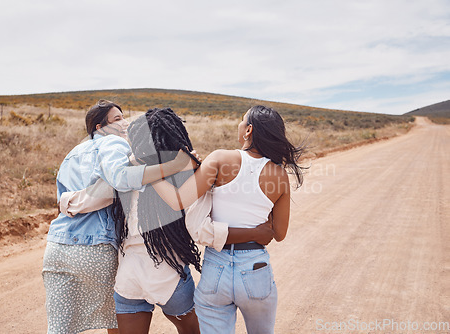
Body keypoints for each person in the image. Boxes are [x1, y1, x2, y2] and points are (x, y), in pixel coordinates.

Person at [58, 108, 275, 334]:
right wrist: (251, 233)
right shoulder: (186, 175)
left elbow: (89, 198)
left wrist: (65, 201)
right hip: (168, 274)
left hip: (129, 277)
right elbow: (200, 227)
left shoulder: (126, 172)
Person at [42, 100, 197, 334]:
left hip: (65, 249)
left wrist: (69, 201)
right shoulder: (118, 149)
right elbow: (120, 180)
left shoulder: (72, 155)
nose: (124, 123)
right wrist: (178, 166)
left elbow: (100, 190)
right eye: (117, 119)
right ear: (98, 127)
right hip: (152, 266)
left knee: (59, 328)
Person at [152, 105, 304, 334]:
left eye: (242, 120)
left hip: (216, 268)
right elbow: (279, 234)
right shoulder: (280, 175)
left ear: (249, 130)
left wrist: (150, 175)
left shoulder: (221, 159)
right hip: (255, 268)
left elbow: (178, 201)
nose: (239, 125)